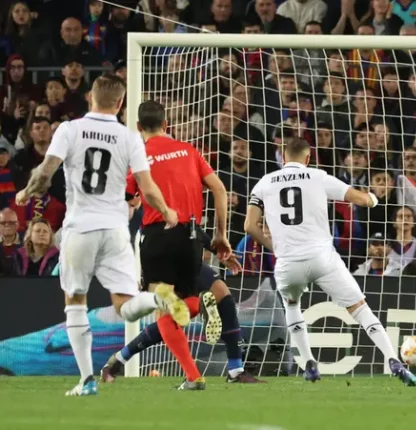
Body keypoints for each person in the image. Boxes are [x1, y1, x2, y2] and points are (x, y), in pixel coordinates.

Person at [14, 75, 183, 397]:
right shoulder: (129, 137)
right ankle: (157, 299)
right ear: (120, 103)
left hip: (80, 228)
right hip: (116, 230)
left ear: (90, 97)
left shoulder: (70, 129)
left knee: (75, 302)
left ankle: (86, 380)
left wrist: (25, 192)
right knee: (125, 305)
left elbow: (46, 172)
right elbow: (147, 187)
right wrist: (167, 211)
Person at [243, 137, 416, 387]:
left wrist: (276, 248)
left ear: (284, 157)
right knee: (360, 309)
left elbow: (249, 225)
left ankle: (309, 364)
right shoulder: (318, 176)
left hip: (288, 262)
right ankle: (393, 360)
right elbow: (361, 200)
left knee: (292, 306)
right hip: (322, 258)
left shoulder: (264, 183)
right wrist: (373, 198)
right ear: (308, 158)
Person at [125, 101, 233, 391]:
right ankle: (197, 304)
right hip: (191, 237)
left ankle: (194, 376)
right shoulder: (189, 150)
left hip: (158, 234)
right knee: (190, 302)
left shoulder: (139, 156)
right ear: (166, 124)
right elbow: (219, 189)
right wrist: (220, 234)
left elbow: (128, 196)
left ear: (138, 127)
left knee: (162, 309)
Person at [100, 230, 265, 384]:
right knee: (169, 316)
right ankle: (121, 359)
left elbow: (192, 223)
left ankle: (236, 370)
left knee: (223, 296)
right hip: (162, 252)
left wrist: (216, 249)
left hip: (187, 254)